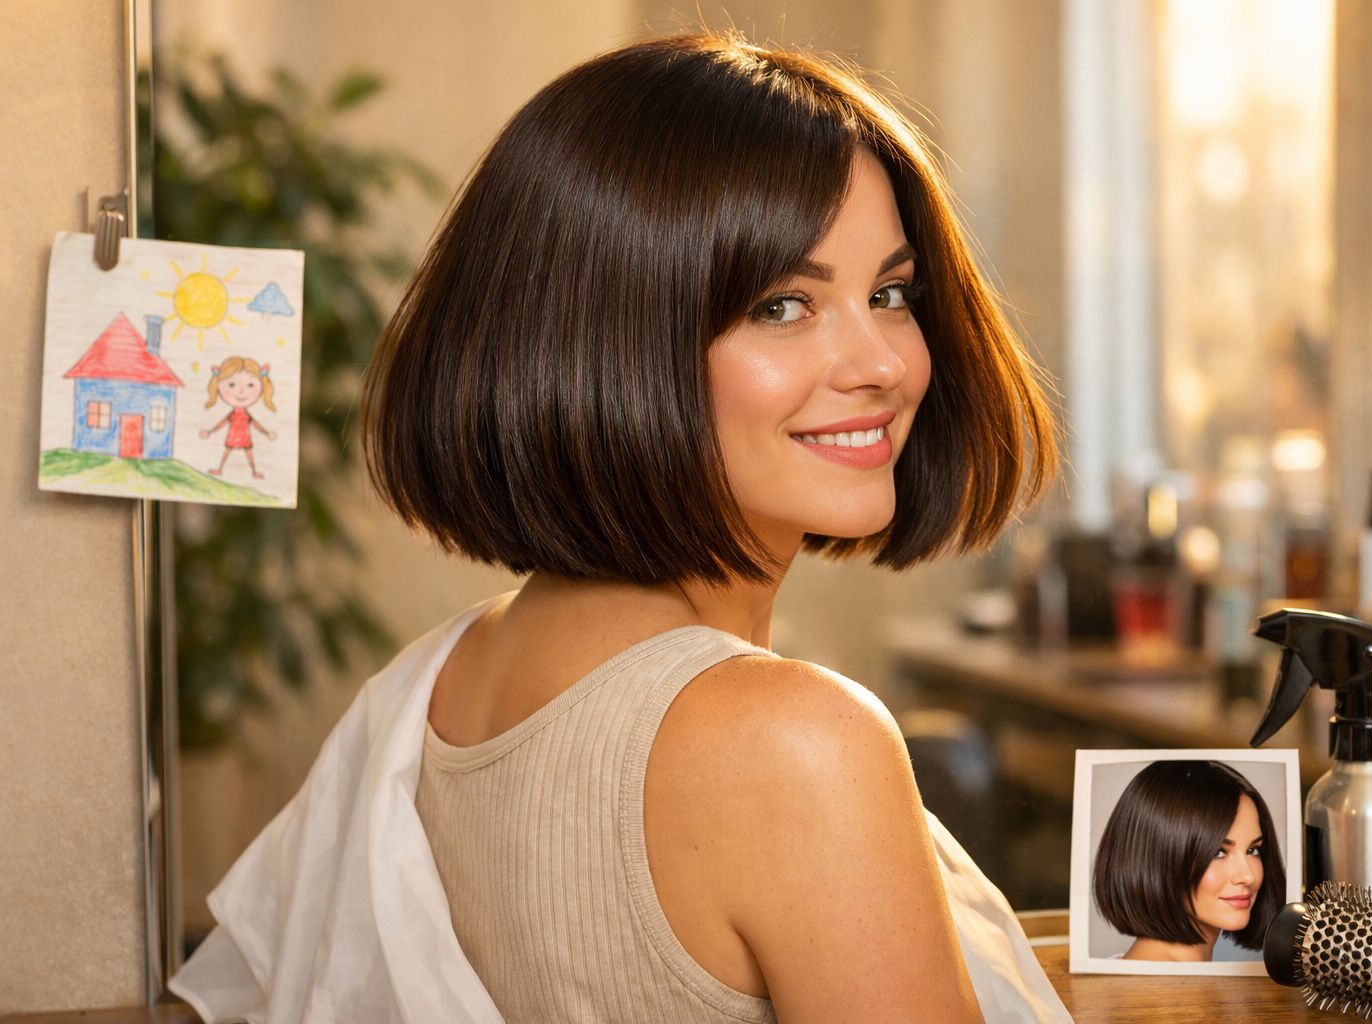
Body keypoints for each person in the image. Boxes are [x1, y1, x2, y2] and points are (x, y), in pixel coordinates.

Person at [170, 32, 1069, 1023]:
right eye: (783, 305)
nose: (884, 363)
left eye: (890, 294)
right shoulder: (797, 745)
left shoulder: (447, 678)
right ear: (615, 343)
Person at [1091, 760, 1285, 962]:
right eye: (1218, 852)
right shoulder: (1155, 983)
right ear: (1159, 858)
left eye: (1253, 850)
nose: (1247, 876)